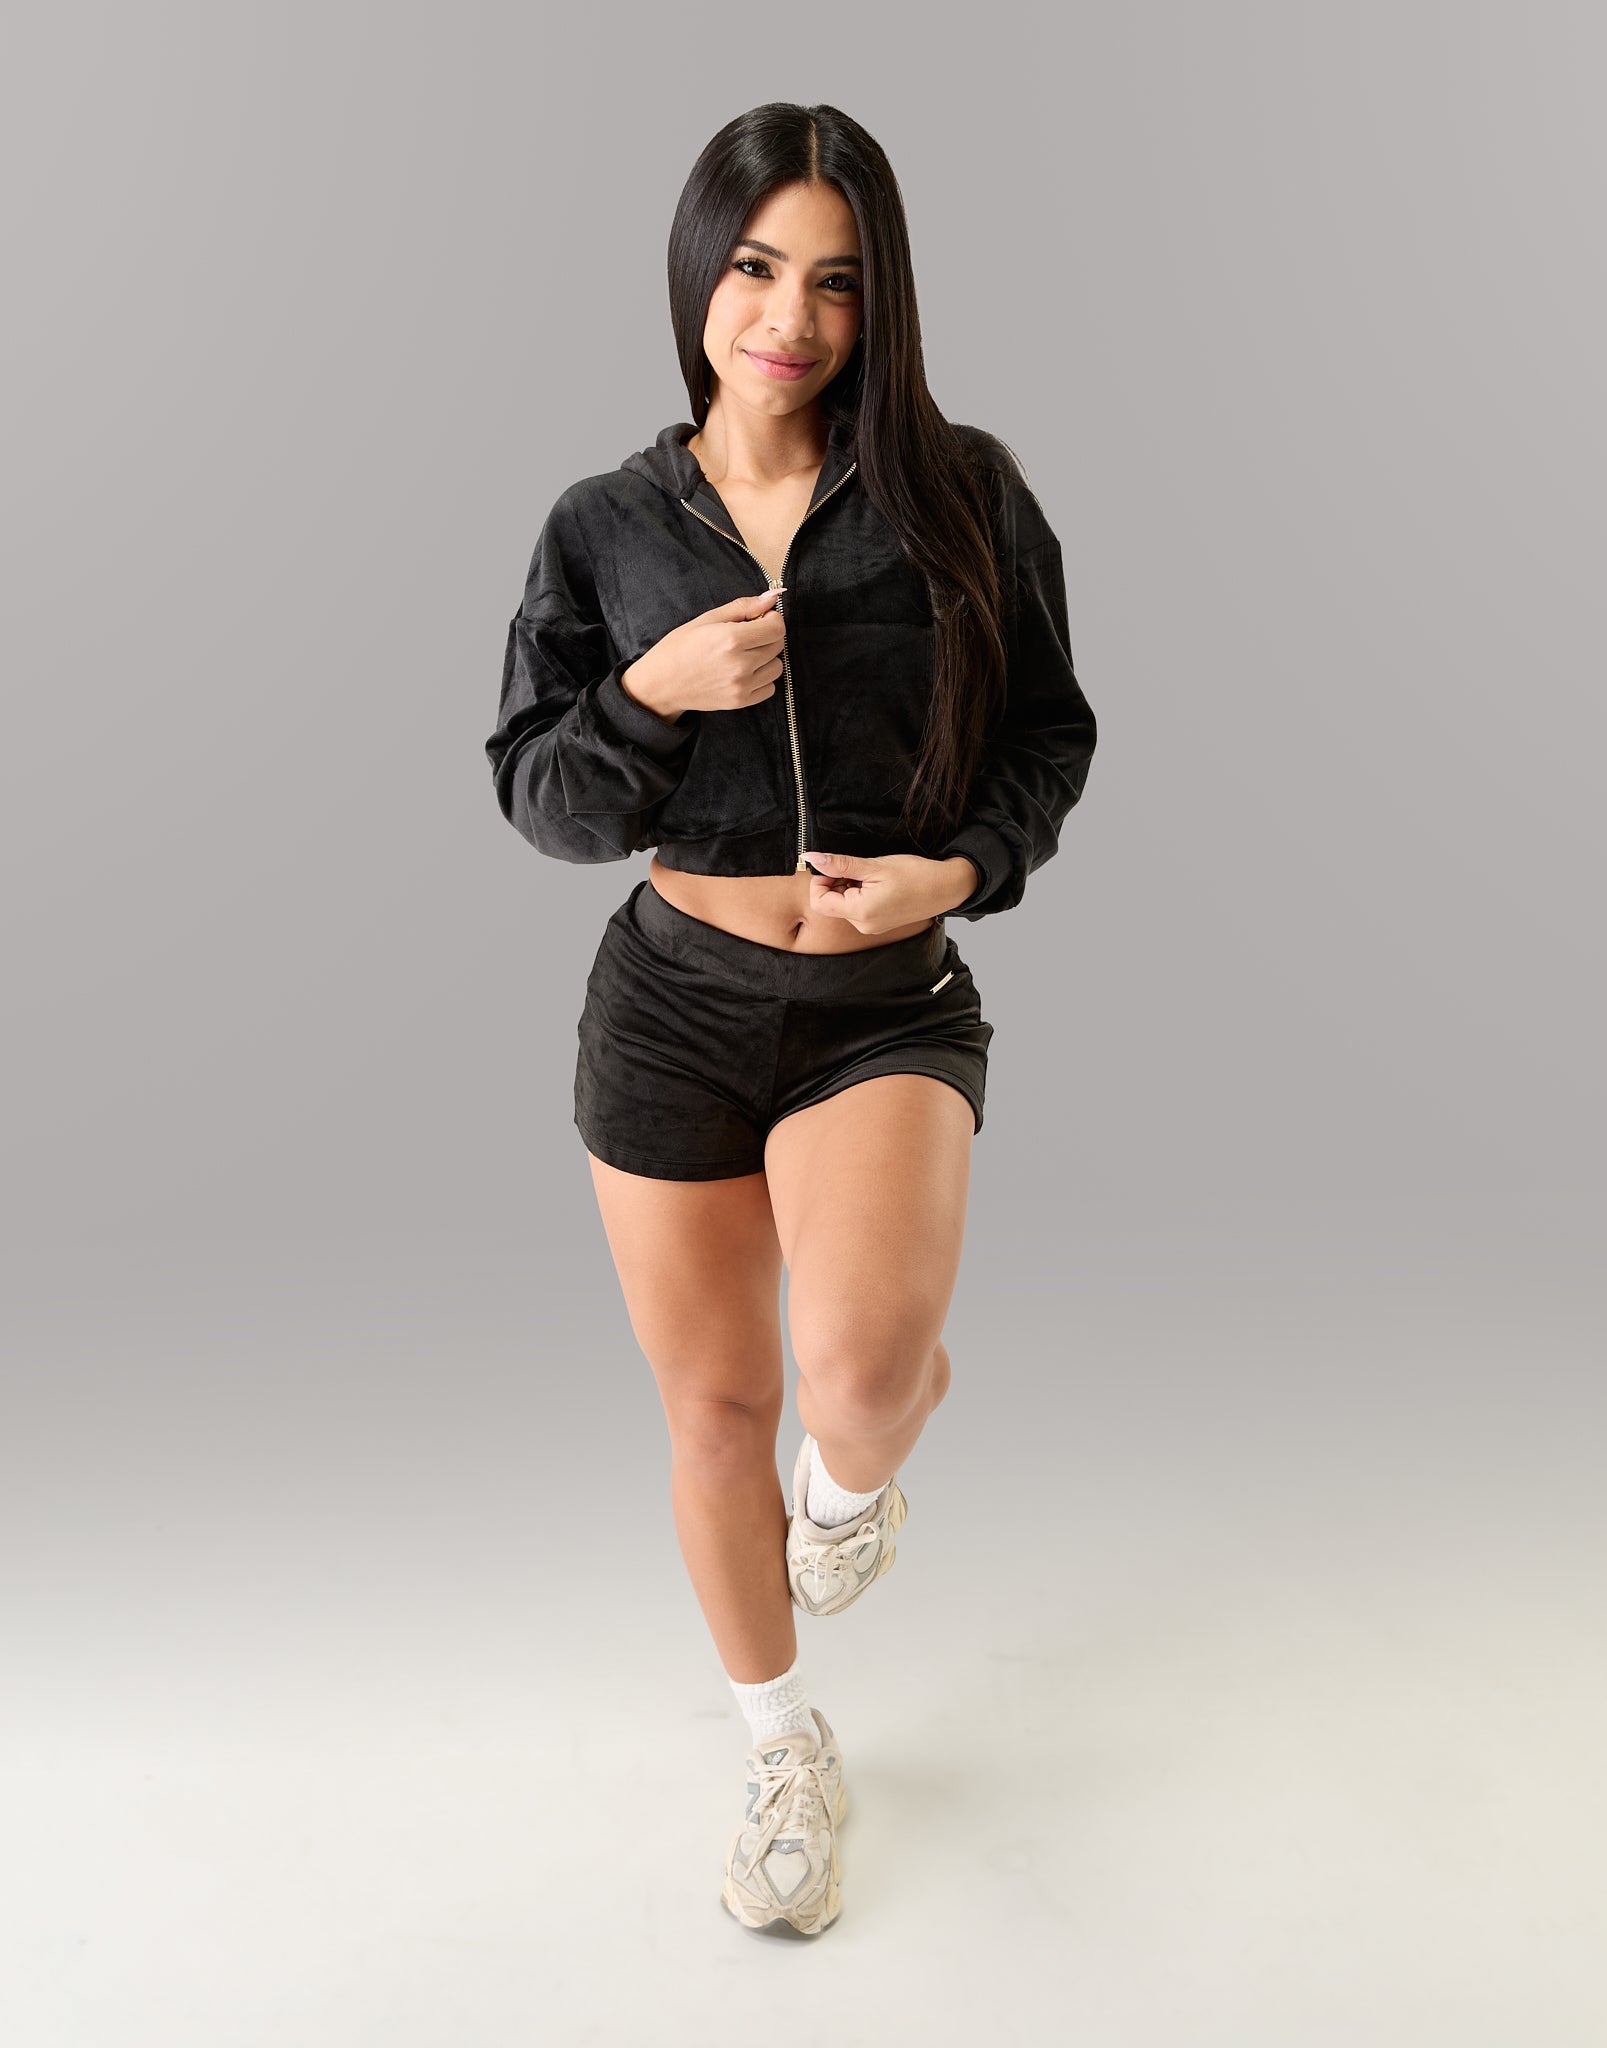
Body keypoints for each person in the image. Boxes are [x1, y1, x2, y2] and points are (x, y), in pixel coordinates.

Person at [483, 102, 1097, 1938]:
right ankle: (780, 1747)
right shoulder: (606, 524)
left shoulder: (959, 493)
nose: (788, 319)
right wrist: (654, 693)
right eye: (756, 269)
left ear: (876, 301)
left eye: (835, 283)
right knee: (715, 1404)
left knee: (864, 1372)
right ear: (700, 272)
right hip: (668, 1007)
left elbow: (1048, 735)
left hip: (876, 1004)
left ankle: (858, 1479)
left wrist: (955, 873)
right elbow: (539, 798)